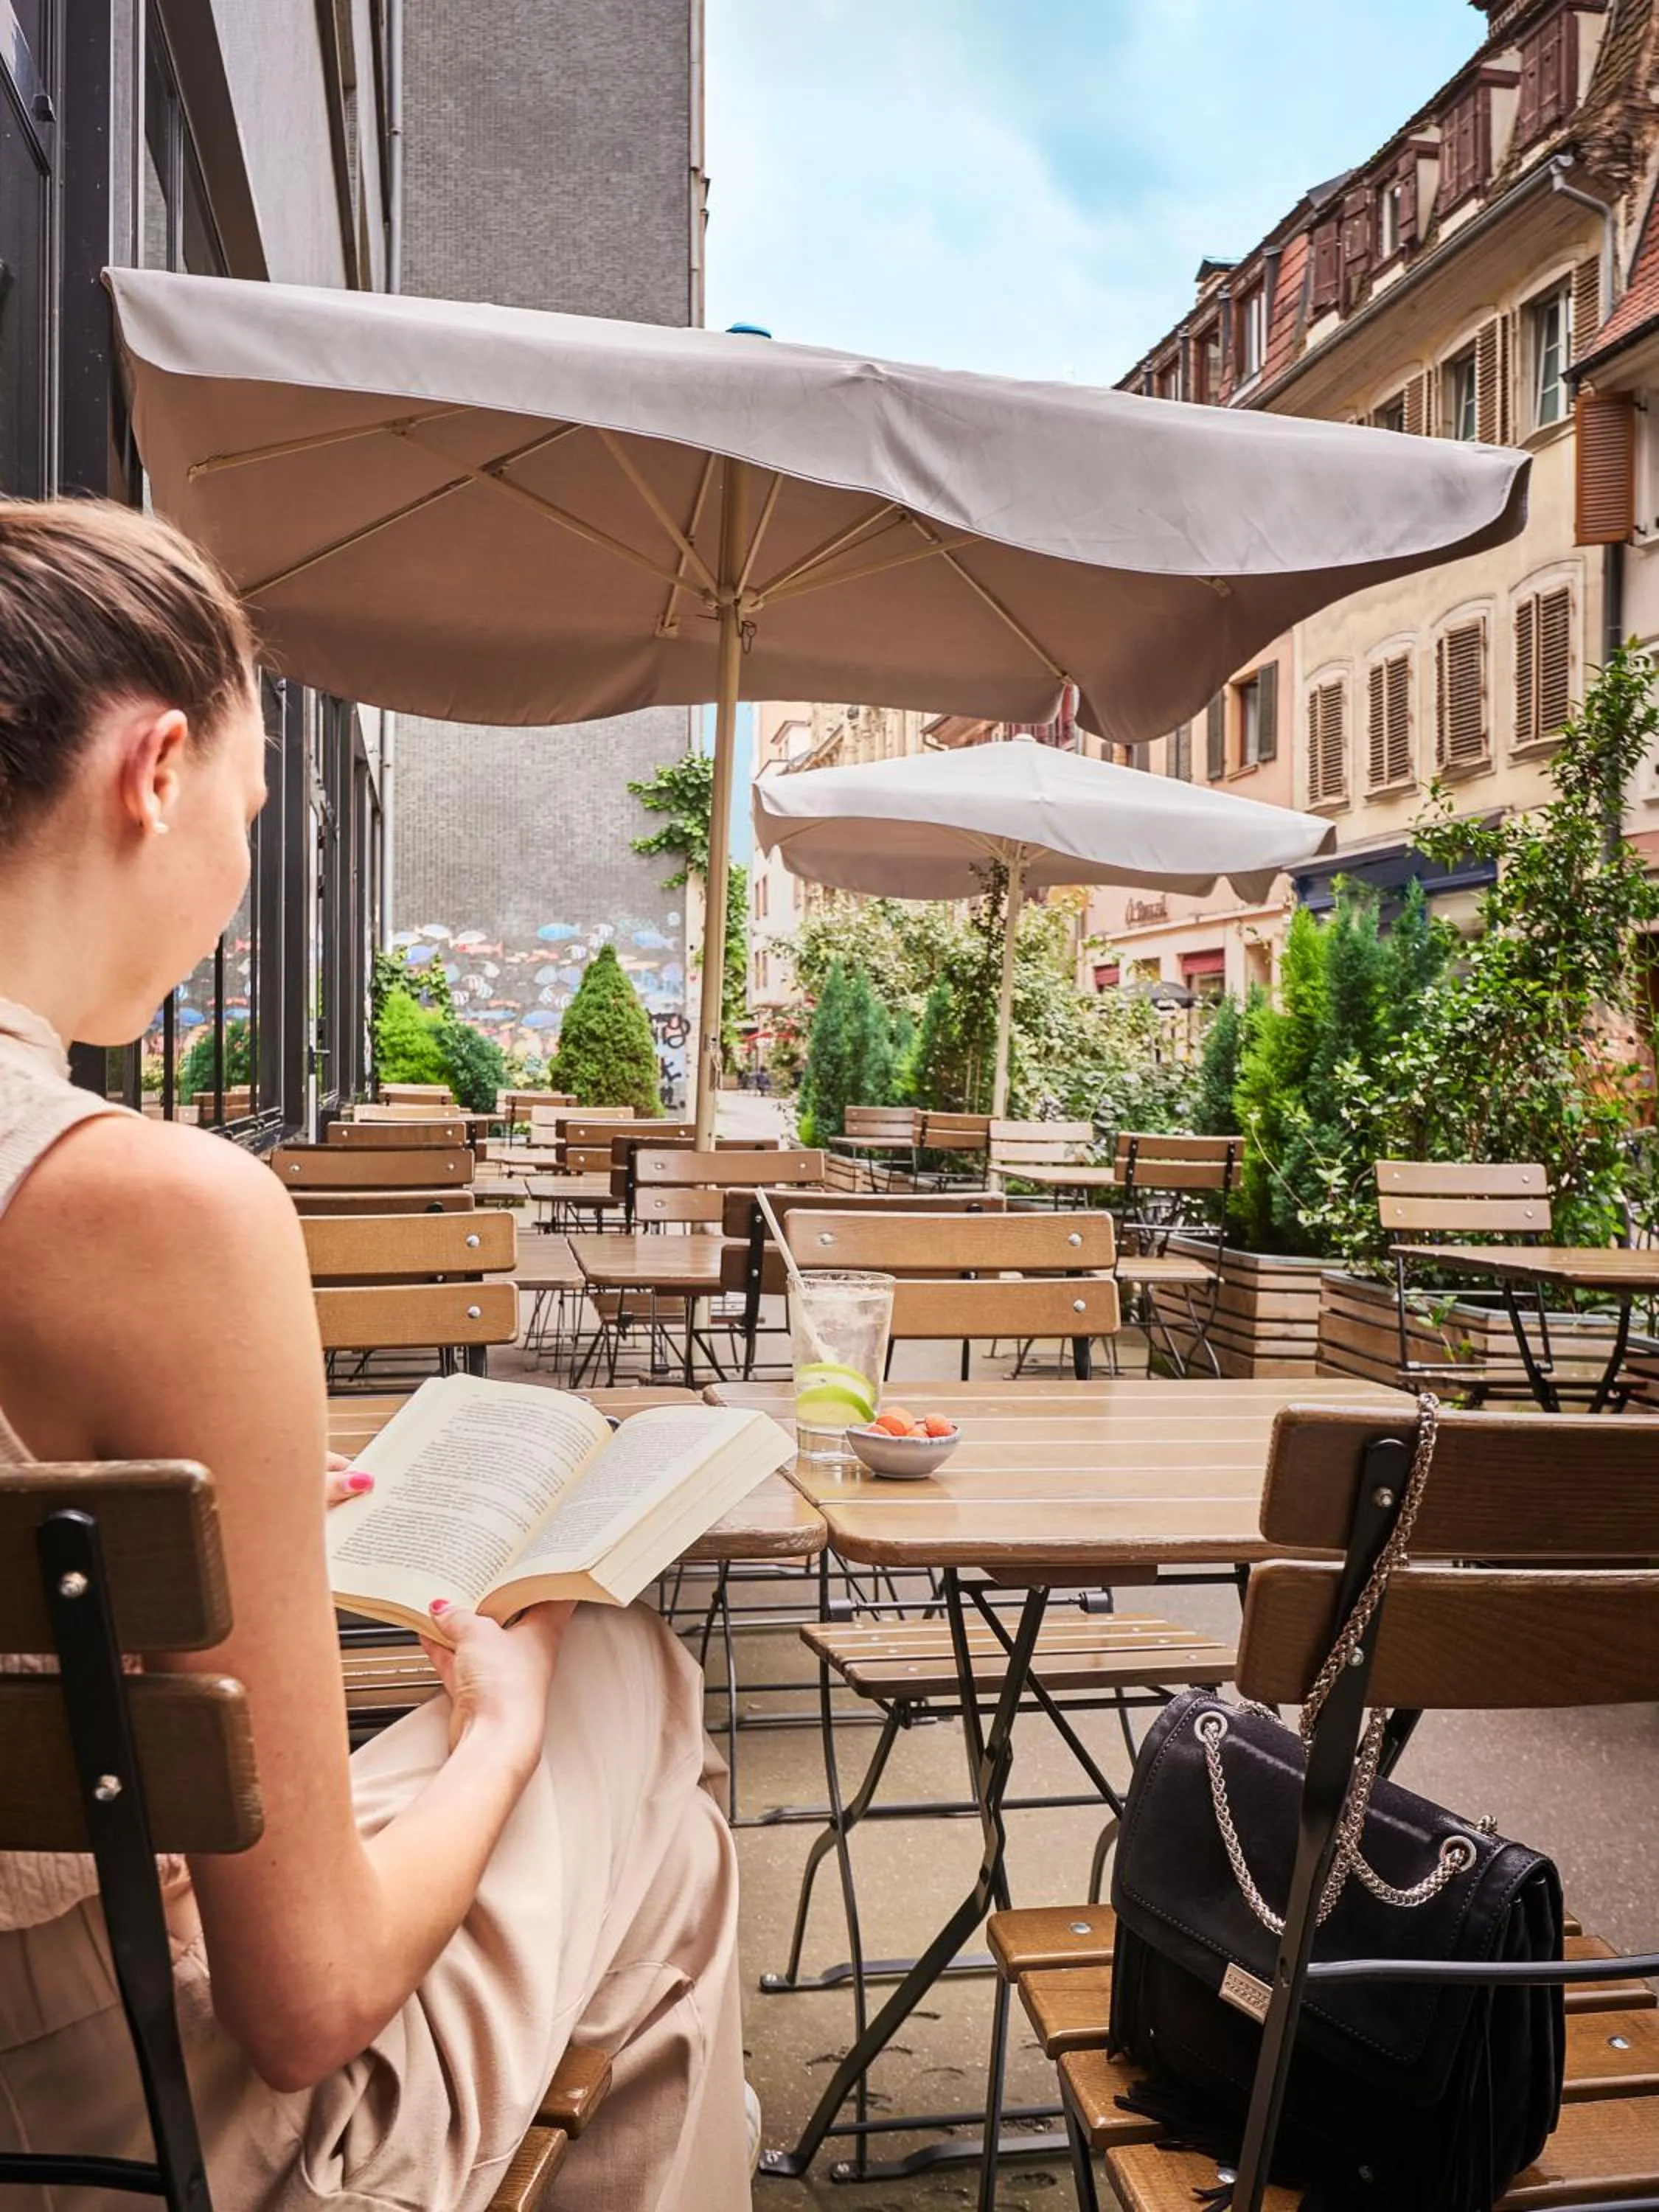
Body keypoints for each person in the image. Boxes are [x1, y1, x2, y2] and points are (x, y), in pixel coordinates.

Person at [0, 500, 750, 2211]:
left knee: (639, 1852)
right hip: (115, 2120)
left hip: (66, 1963)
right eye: (256, 810)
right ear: (158, 773)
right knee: (624, 1696)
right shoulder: (153, 1213)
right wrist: (498, 1722)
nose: (246, 861)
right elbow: (311, 2005)